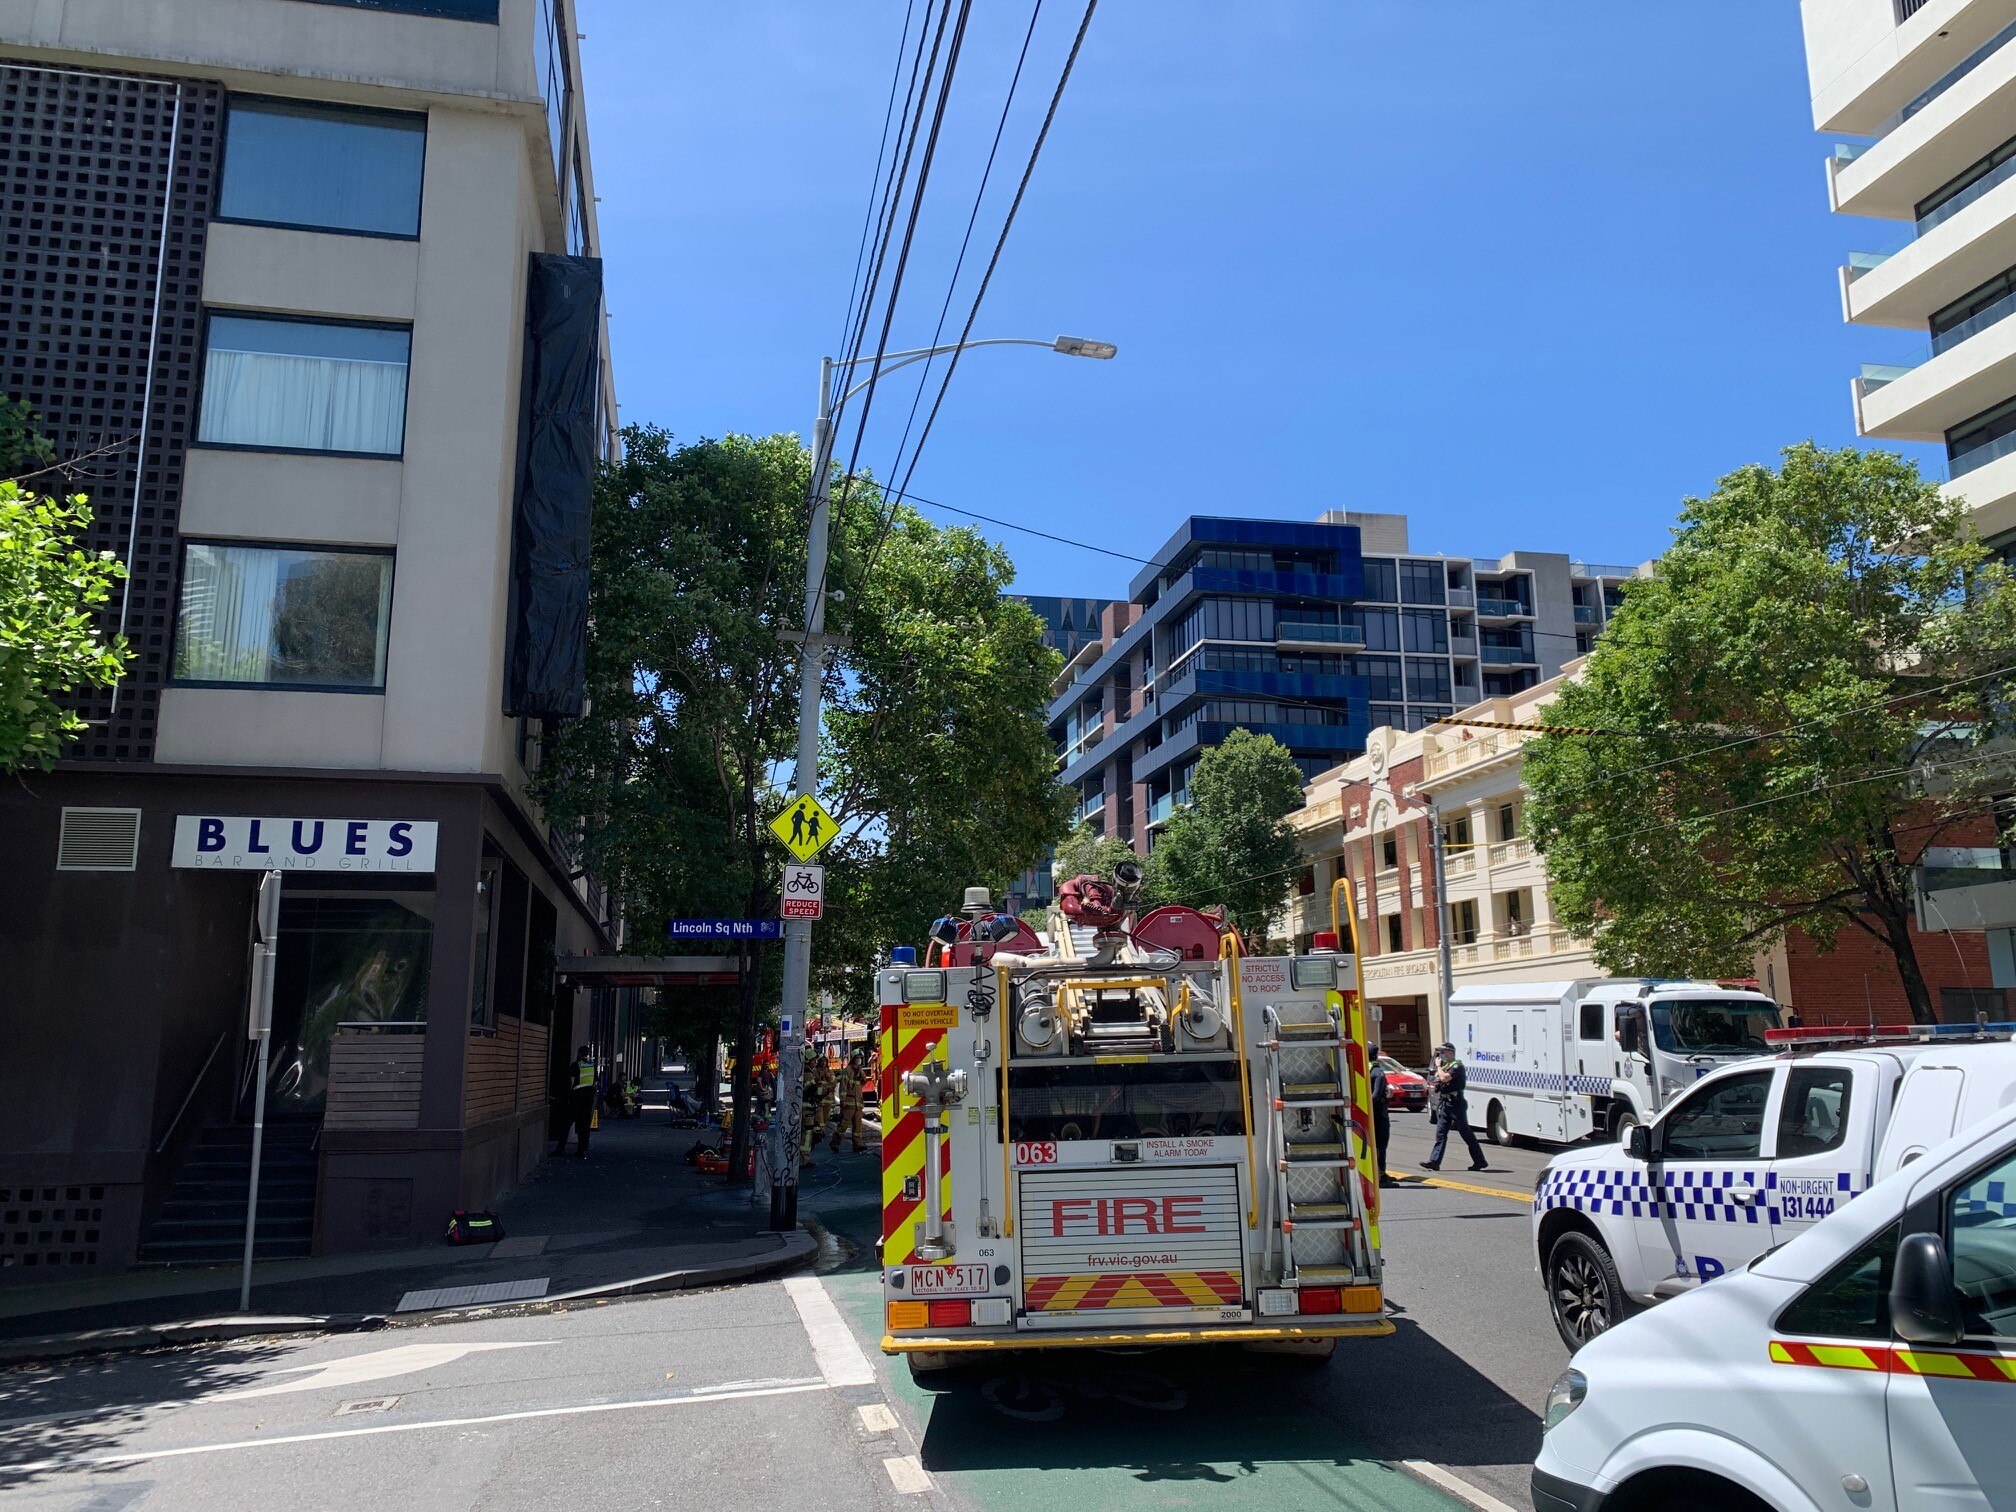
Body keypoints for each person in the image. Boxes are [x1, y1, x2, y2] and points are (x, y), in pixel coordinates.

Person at [1421, 1041, 1489, 1173]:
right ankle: (1434, 1161)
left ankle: (1480, 1161)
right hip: (1445, 1104)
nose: (1441, 1055)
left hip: (1456, 1104)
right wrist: (1439, 1072)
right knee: (1440, 1134)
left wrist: (1439, 1067)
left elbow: (1445, 1078)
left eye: (1444, 1052)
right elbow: (1437, 1079)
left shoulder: (1457, 1066)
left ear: (1451, 1052)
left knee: (1466, 1133)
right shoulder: (1446, 1066)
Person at [555, 1045, 597, 1158]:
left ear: (579, 1053)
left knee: (566, 1123)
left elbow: (571, 1080)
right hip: (588, 1099)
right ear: (588, 1054)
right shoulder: (591, 1065)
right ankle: (581, 1150)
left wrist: (566, 1095)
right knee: (584, 1125)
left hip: (576, 1098)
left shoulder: (575, 1065)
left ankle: (559, 1150)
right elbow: (595, 1083)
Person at [830, 1052, 869, 1154]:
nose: (859, 1060)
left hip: (858, 1103)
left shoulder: (859, 1070)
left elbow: (864, 1081)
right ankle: (834, 1143)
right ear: (853, 1058)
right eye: (857, 1058)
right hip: (849, 1101)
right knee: (844, 1125)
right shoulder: (847, 1071)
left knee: (858, 1125)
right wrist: (842, 1100)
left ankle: (858, 1145)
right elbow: (843, 1086)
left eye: (860, 1058)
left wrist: (861, 1077)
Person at [1370, 1055, 1395, 1187]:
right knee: (1381, 1145)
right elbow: (1376, 1094)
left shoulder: (1364, 1068)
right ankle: (1381, 1176)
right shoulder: (1377, 1071)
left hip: (1370, 1114)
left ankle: (1379, 1173)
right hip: (1379, 1114)